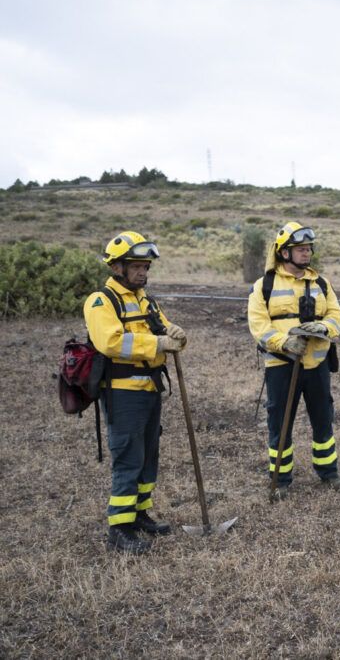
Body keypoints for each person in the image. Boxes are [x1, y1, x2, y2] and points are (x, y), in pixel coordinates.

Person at [85, 231, 186, 555]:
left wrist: (176, 335)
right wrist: (158, 342)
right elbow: (112, 341)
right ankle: (119, 528)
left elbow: (166, 334)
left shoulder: (146, 301)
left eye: (146, 267)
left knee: (147, 456)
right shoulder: (101, 301)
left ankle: (140, 514)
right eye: (137, 267)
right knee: (128, 457)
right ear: (118, 267)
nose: (143, 273)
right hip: (123, 392)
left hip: (150, 389)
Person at [248, 221, 340, 500]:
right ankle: (280, 480)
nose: (306, 253)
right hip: (281, 366)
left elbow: (336, 315)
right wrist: (285, 343)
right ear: (284, 253)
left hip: (317, 364)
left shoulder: (321, 283)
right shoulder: (264, 286)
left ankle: (329, 473)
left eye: (308, 249)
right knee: (280, 423)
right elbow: (258, 325)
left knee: (323, 419)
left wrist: (324, 327)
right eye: (300, 249)